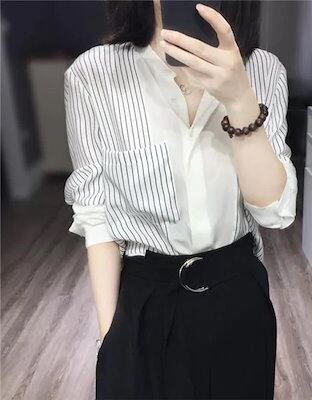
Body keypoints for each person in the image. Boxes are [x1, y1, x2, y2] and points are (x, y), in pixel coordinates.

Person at [63, 1, 298, 399]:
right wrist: (112, 339)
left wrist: (240, 101)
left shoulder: (263, 70)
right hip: (144, 299)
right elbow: (96, 214)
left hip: (237, 292)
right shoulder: (94, 74)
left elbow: (275, 211)